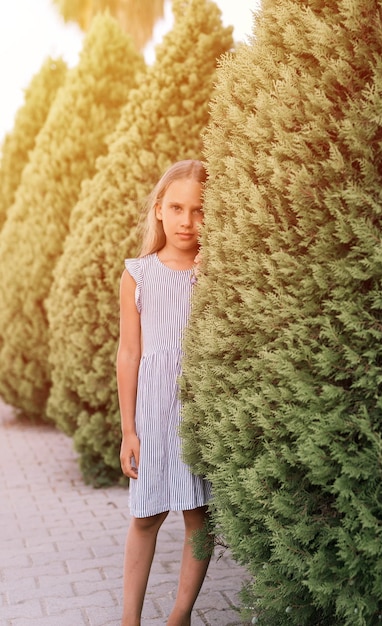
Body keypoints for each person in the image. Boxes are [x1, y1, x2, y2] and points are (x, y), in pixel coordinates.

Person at [117, 160, 212, 626]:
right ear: (158, 210)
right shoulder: (138, 273)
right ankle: (129, 620)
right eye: (176, 207)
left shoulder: (213, 273)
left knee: (198, 515)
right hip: (152, 414)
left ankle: (179, 615)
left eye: (199, 210)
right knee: (145, 518)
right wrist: (128, 430)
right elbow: (129, 354)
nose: (186, 221)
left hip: (197, 414)